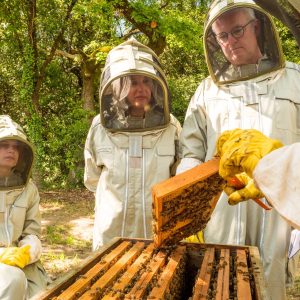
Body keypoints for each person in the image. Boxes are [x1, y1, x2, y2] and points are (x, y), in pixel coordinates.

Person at [176, 1, 300, 299]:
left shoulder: (296, 79)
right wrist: (186, 196)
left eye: (237, 31)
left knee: (273, 287)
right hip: (222, 210)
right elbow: (191, 151)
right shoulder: (206, 90)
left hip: (280, 214)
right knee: (219, 284)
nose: (230, 41)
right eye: (222, 36)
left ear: (257, 26)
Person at [84, 39, 181, 250]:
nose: (141, 89)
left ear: (156, 85)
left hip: (158, 230)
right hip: (111, 232)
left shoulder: (171, 126)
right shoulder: (99, 127)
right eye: (133, 82)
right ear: (117, 87)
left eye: (146, 82)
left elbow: (179, 177)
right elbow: (92, 180)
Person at [0, 115, 49, 299]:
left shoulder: (29, 189)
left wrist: (26, 252)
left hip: (22, 263)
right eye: (5, 145)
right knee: (12, 281)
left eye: (16, 147)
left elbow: (32, 231)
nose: (11, 150)